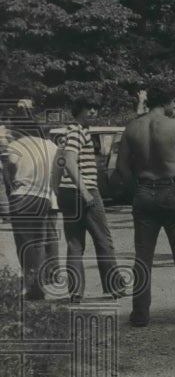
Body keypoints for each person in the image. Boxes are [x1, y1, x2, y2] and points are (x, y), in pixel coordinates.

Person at [117, 85, 175, 326]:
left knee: (142, 257)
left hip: (144, 191)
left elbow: (121, 168)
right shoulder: (174, 125)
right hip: (173, 190)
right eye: (174, 103)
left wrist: (135, 190)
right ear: (168, 102)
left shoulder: (132, 128)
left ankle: (140, 314)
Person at [56, 98, 126, 302]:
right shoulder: (77, 131)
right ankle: (114, 287)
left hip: (68, 193)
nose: (94, 111)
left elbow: (59, 164)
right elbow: (68, 161)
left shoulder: (71, 131)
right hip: (83, 191)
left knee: (75, 243)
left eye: (96, 107)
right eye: (90, 107)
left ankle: (75, 292)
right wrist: (85, 191)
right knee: (103, 240)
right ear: (79, 109)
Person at [4, 120, 60, 300]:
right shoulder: (50, 146)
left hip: (22, 196)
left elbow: (10, 167)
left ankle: (32, 287)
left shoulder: (17, 145)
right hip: (43, 197)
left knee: (24, 243)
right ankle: (37, 283)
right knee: (38, 242)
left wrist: (11, 184)